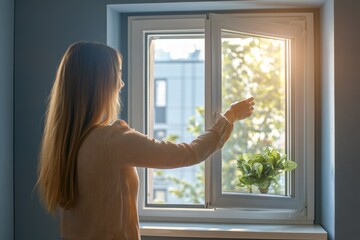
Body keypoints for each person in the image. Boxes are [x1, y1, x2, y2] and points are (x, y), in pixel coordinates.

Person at [36, 41, 255, 240]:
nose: (121, 84)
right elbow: (186, 153)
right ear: (101, 83)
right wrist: (228, 118)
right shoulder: (111, 141)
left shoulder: (66, 143)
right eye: (118, 75)